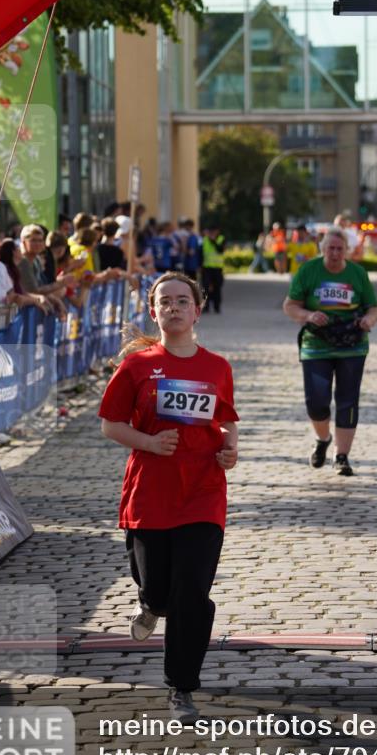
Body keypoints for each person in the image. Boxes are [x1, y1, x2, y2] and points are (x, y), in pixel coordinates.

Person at [98, 272, 239, 723]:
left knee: (192, 592)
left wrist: (230, 448)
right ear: (153, 311)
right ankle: (149, 603)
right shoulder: (137, 366)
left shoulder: (217, 366)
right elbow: (111, 424)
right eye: (165, 302)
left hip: (202, 492)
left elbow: (226, 420)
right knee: (157, 587)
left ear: (197, 310)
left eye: (183, 301)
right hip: (151, 493)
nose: (174, 308)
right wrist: (148, 442)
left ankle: (182, 686)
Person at [283, 226, 377, 477]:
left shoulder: (357, 274)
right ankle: (323, 438)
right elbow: (290, 306)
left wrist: (369, 320)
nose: (335, 253)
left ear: (347, 251)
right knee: (316, 402)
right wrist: (308, 315)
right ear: (322, 249)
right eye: (330, 248)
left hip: (352, 344)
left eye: (340, 249)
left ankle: (342, 456)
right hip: (317, 344)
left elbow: (373, 308)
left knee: (348, 401)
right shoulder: (308, 271)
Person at [201, 226, 225, 313]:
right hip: (207, 268)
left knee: (217, 288)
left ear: (217, 231)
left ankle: (217, 307)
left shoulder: (221, 239)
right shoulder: (204, 240)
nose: (212, 233)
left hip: (218, 268)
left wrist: (213, 240)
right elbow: (200, 253)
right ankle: (205, 306)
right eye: (210, 231)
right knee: (205, 287)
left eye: (214, 231)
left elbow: (220, 250)